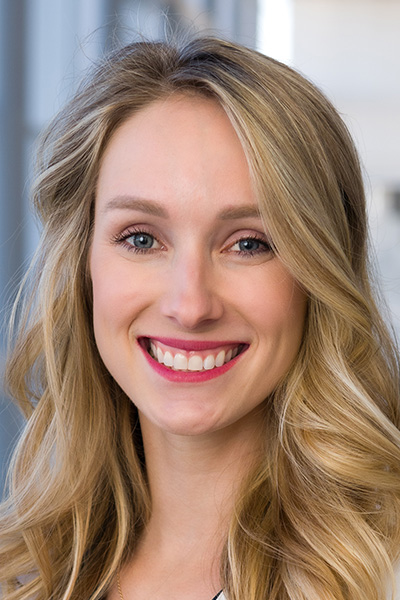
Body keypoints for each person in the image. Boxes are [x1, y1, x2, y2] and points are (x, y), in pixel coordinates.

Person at [1, 35, 400, 600]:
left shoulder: (379, 574)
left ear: (318, 274)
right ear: (83, 267)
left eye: (249, 244)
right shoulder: (26, 574)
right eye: (141, 238)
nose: (190, 306)